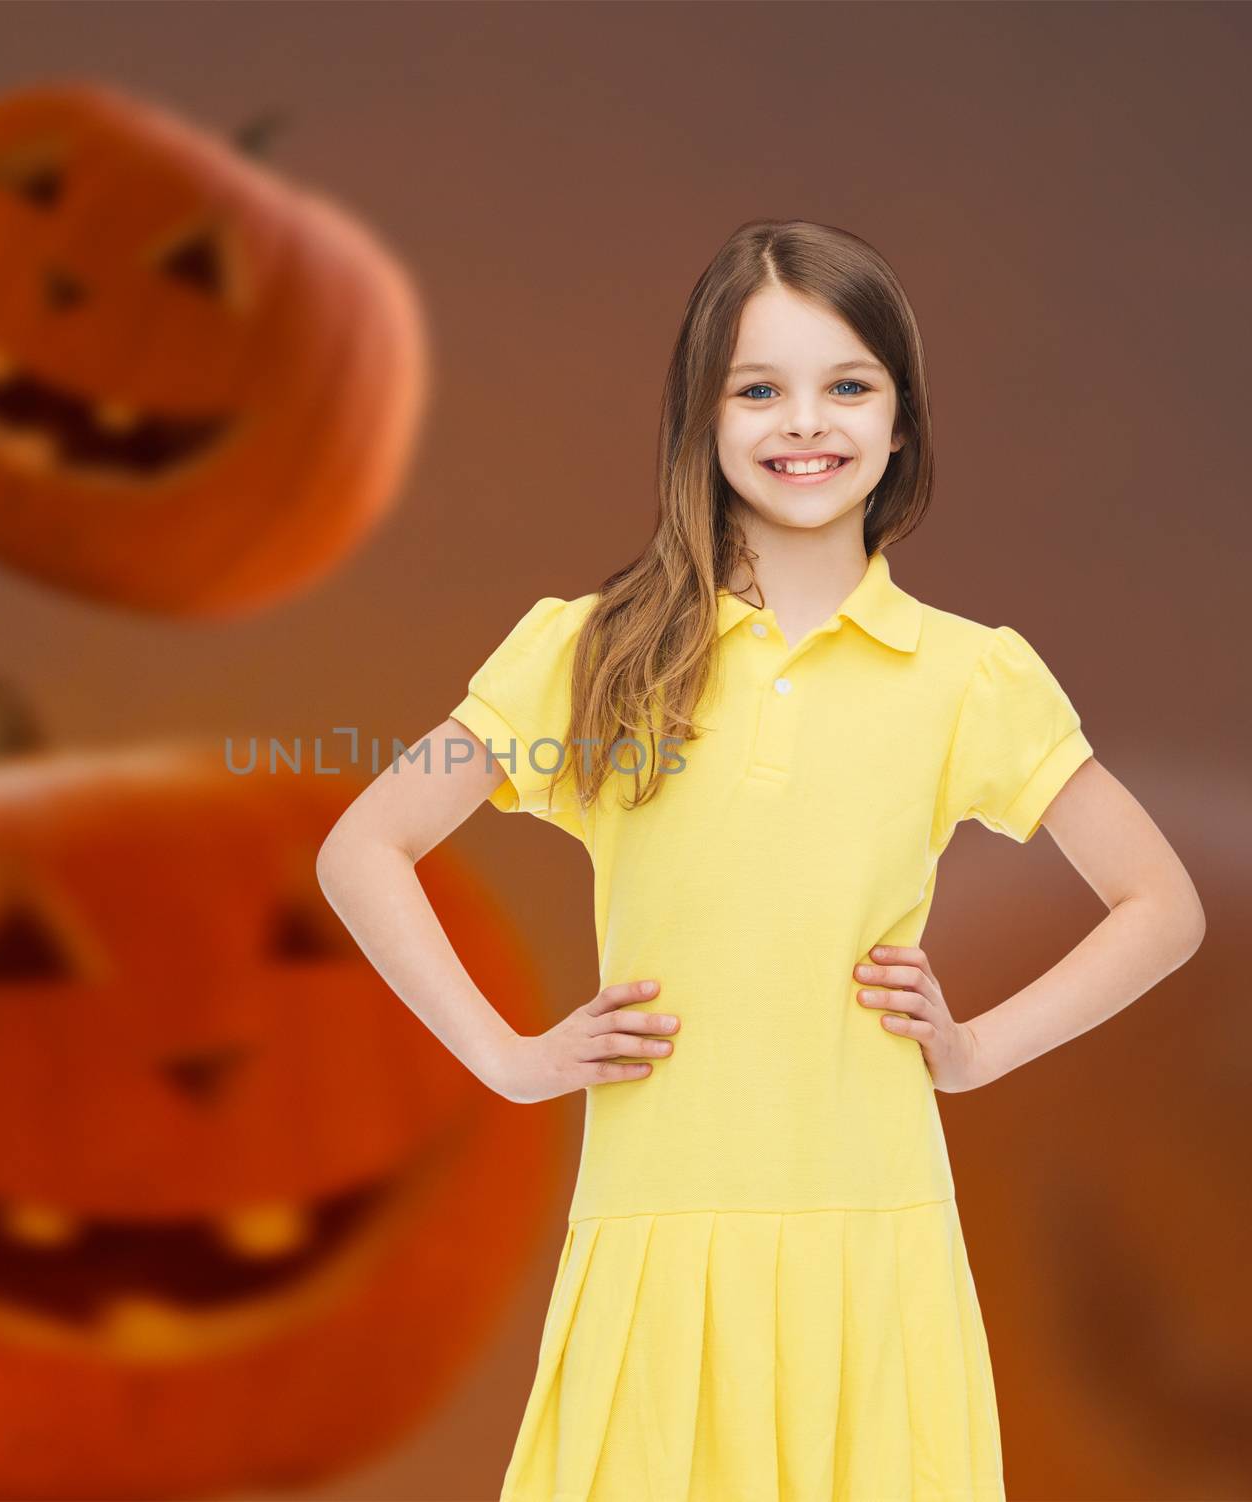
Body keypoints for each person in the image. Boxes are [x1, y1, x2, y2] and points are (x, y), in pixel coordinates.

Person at [314, 219, 1205, 1502]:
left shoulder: (968, 675)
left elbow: (1158, 903)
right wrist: (508, 1059)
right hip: (658, 1250)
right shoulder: (595, 652)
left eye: (848, 384)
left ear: (901, 423)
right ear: (703, 419)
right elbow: (367, 845)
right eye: (759, 387)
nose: (807, 421)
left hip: (876, 1251)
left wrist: (976, 1047)